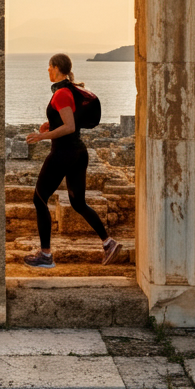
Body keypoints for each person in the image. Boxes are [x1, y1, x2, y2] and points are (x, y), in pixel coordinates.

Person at [23, 52, 122, 268]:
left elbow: (69, 127)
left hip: (64, 153)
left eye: (49, 67)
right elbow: (68, 120)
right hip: (78, 153)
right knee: (78, 203)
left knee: (39, 199)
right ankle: (108, 243)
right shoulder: (69, 91)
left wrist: (41, 136)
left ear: (57, 68)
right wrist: (50, 125)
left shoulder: (61, 93)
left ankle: (46, 255)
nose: (47, 71)